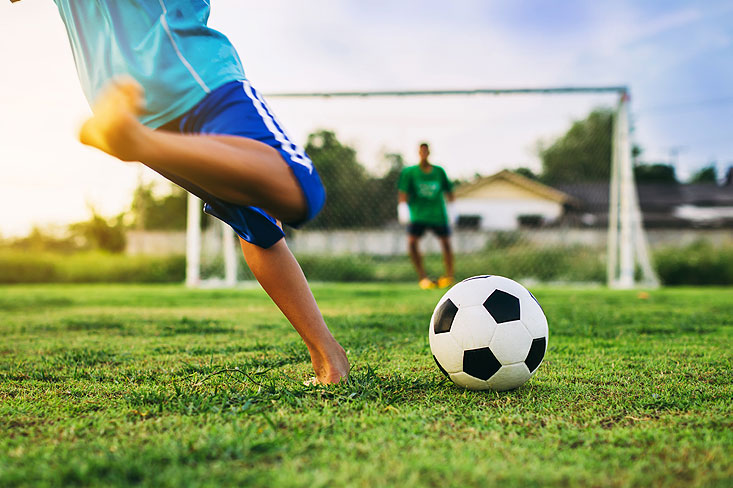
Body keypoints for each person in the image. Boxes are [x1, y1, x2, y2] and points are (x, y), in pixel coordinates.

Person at [12, 0, 349, 384]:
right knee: (301, 190)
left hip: (114, 94)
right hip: (187, 69)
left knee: (255, 224)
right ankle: (140, 143)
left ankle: (329, 359)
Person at [397, 143, 456, 289]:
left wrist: (453, 209)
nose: (423, 153)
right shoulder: (410, 172)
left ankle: (449, 277)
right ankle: (422, 277)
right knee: (412, 243)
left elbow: (449, 191)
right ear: (418, 153)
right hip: (418, 214)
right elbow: (403, 192)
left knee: (446, 244)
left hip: (437, 214)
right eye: (421, 151)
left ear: (429, 152)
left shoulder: (439, 171)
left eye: (426, 151)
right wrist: (403, 208)